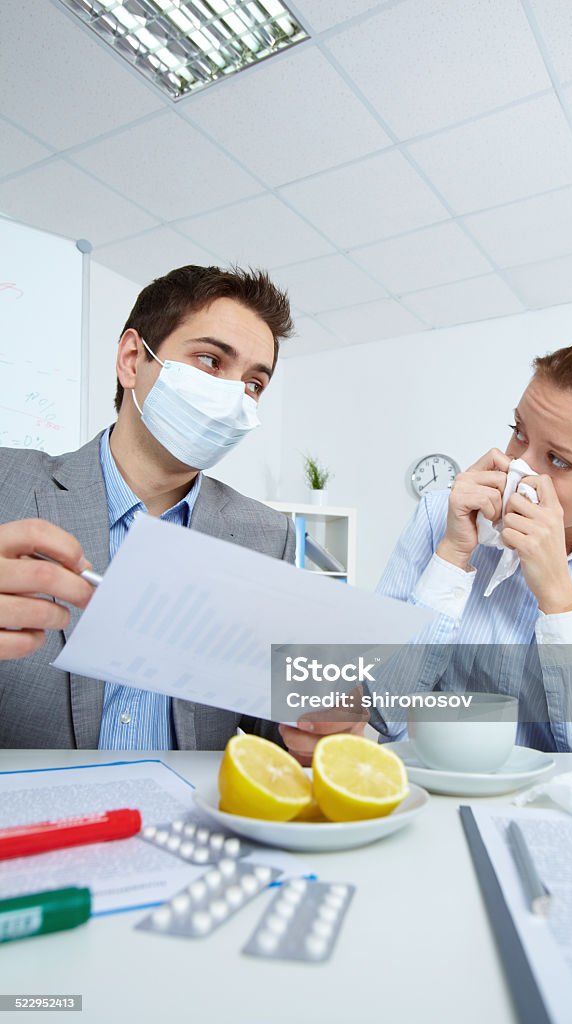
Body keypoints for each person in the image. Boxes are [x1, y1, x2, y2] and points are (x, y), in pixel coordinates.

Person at [0, 264, 365, 756]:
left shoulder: (264, 535)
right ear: (133, 359)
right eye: (211, 361)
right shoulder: (10, 486)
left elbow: (271, 724)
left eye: (254, 384)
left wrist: (316, 724)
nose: (235, 398)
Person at [376, 336, 572, 753]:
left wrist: (559, 602)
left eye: (559, 460)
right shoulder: (439, 518)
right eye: (518, 433)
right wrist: (450, 557)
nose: (519, 466)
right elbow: (379, 713)